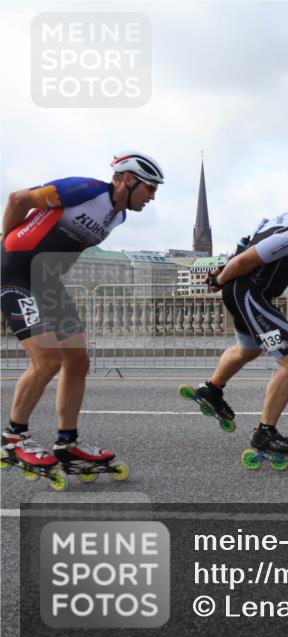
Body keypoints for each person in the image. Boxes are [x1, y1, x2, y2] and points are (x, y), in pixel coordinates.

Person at [0, 152, 164, 488]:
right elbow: (18, 198)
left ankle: (68, 441)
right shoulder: (83, 190)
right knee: (47, 360)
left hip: (45, 283)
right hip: (15, 272)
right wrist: (4, 244)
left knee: (78, 360)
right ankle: (13, 437)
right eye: (150, 187)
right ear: (127, 180)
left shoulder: (118, 218)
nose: (153, 196)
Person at [182, 180, 288, 468]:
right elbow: (245, 259)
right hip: (250, 294)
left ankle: (212, 389)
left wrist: (223, 275)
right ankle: (266, 433)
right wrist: (218, 278)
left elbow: (244, 242)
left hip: (246, 293)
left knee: (247, 349)